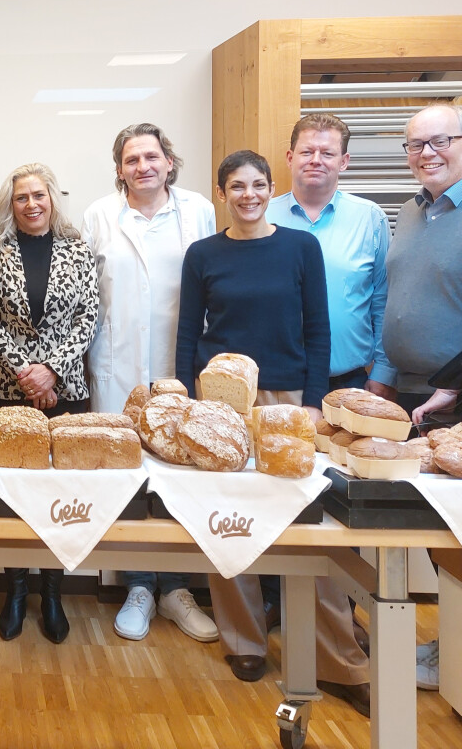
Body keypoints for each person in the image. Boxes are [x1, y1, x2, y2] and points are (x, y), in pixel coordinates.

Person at [175, 150, 370, 716]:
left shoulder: (300, 247)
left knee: (309, 526)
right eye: (237, 186)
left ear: (271, 188)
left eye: (259, 184)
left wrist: (312, 404)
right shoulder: (202, 254)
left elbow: (317, 328)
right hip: (223, 400)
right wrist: (192, 403)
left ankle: (338, 659)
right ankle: (245, 642)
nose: (249, 194)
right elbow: (190, 331)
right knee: (228, 519)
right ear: (222, 194)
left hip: (288, 399)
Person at [81, 123, 219, 644]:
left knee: (179, 475)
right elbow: (87, 293)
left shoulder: (199, 210)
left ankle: (176, 589)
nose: (143, 166)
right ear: (120, 169)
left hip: (180, 363)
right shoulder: (99, 215)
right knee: (130, 478)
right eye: (132, 159)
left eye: (152, 157)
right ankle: (138, 585)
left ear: (168, 161)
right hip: (115, 364)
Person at [0, 162, 97, 646]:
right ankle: (16, 591)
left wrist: (50, 371)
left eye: (38, 195)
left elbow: (88, 316)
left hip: (66, 389)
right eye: (21, 197)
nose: (31, 204)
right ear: (10, 204)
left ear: (52, 199)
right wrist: (28, 373)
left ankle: (52, 593)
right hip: (8, 389)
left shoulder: (78, 249)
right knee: (12, 496)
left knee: (58, 496)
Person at [382, 104, 462, 691]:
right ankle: (451, 646)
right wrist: (383, 376)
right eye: (414, 145)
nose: (426, 153)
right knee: (440, 533)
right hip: (414, 396)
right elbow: (398, 302)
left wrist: (454, 381)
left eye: (440, 141)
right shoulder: (411, 213)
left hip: (454, 396)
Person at [268, 113, 396, 396]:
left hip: (350, 383)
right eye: (307, 151)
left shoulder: (370, 219)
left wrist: (384, 373)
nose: (316, 160)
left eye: (327, 153)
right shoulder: (262, 218)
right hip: (275, 384)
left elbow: (383, 301)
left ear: (344, 162)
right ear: (290, 158)